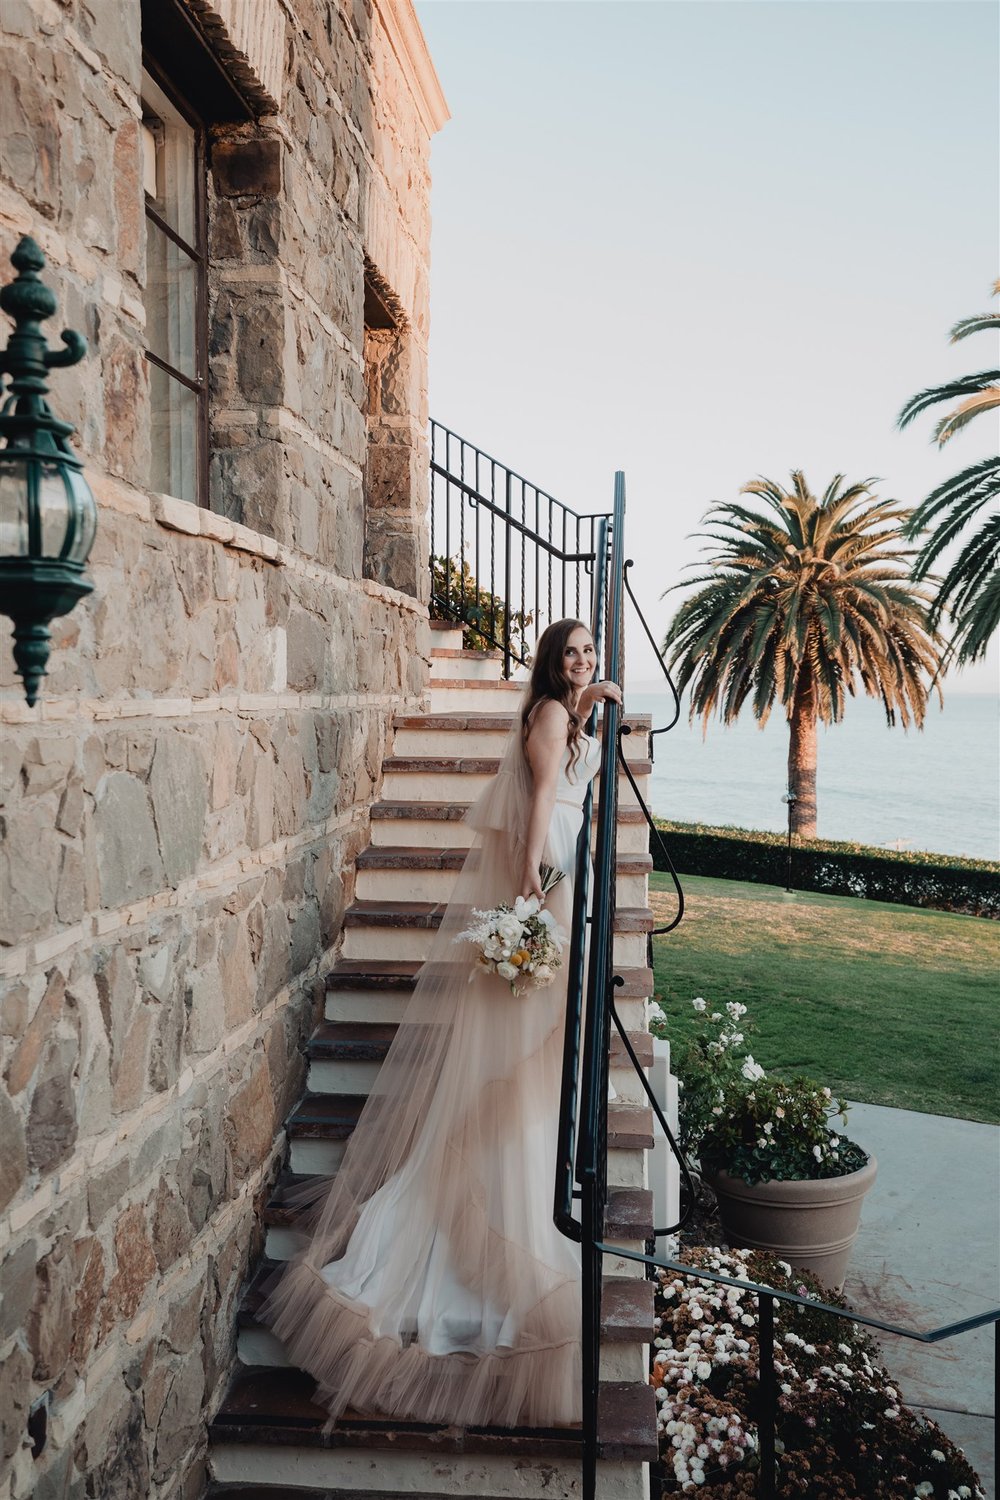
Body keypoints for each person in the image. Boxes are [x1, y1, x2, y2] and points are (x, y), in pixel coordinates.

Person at [261, 618, 623, 1430]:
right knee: (538, 1038)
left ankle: (525, 1179)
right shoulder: (550, 717)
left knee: (544, 1043)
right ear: (548, 664)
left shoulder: (569, 713)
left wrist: (595, 701)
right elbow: (538, 802)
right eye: (570, 655)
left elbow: (565, 771)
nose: (581, 663)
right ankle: (497, 1204)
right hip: (553, 870)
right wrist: (532, 878)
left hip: (562, 860)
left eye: (589, 654)